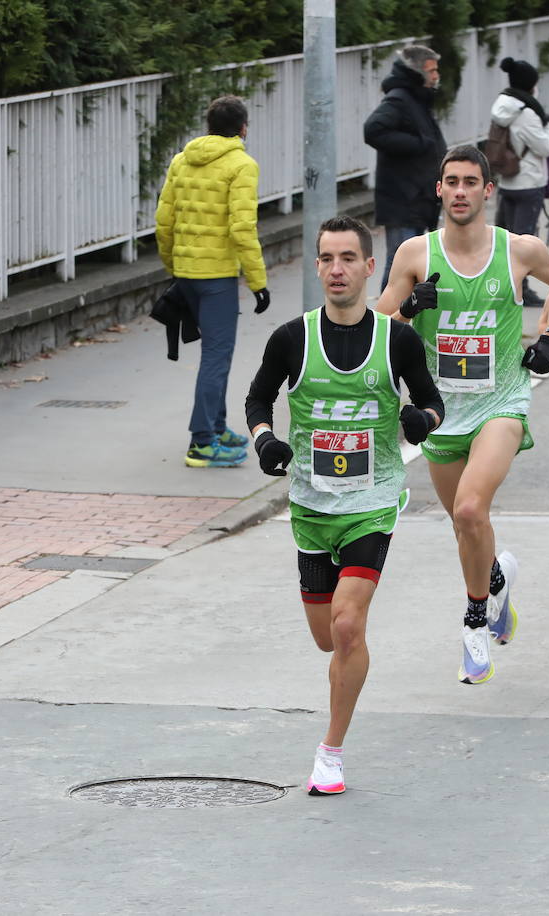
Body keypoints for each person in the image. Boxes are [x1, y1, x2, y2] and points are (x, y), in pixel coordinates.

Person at [244, 215, 444, 795]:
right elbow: (259, 396)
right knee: (328, 638)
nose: (337, 269)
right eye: (327, 259)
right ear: (318, 266)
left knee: (349, 626)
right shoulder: (291, 339)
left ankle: (330, 752)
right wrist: (266, 441)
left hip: (372, 502)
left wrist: (420, 421)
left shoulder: (397, 339)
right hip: (310, 505)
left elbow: (433, 402)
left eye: (348, 259)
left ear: (367, 266)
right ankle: (346, 670)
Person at [378, 144, 549, 686]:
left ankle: (473, 623)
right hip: (439, 409)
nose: (460, 191)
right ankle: (496, 581)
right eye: (451, 182)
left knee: (469, 509)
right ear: (438, 190)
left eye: (471, 182)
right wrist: (409, 309)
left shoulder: (520, 250)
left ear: (489, 190)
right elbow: (374, 325)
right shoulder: (416, 254)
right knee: (467, 526)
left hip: (501, 402)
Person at [155, 95, 270, 468]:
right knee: (216, 359)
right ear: (243, 128)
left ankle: (218, 428)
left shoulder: (181, 160)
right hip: (218, 277)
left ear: (208, 126)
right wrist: (258, 282)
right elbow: (241, 228)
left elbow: (164, 220)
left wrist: (174, 264)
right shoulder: (242, 164)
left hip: (186, 273)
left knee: (213, 357)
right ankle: (202, 442)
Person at [364, 45, 448, 291]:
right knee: (399, 267)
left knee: (410, 266)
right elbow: (373, 130)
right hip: (403, 200)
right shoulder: (400, 98)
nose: (436, 76)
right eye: (431, 71)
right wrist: (419, 144)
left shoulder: (416, 98)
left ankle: (401, 322)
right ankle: (387, 323)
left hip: (416, 199)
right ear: (417, 71)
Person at [490, 57, 549, 308]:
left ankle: (503, 285)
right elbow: (545, 147)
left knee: (505, 239)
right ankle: (522, 290)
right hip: (528, 182)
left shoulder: (502, 104)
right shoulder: (526, 112)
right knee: (524, 241)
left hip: (507, 180)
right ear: (531, 84)